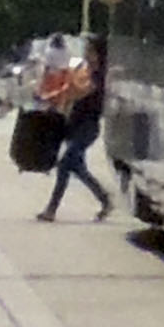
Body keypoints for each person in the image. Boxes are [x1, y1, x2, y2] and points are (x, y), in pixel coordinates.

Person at [39, 34, 114, 222]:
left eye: (90, 50)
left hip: (88, 127)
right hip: (76, 125)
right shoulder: (85, 70)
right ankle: (105, 199)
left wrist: (54, 95)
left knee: (65, 164)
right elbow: (70, 89)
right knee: (76, 167)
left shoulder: (101, 76)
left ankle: (51, 210)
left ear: (98, 54)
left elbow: (79, 91)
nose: (87, 54)